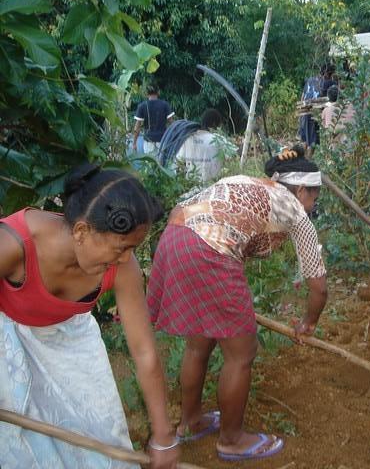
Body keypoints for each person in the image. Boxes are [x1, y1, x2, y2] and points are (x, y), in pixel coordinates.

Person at [147, 145, 328, 461]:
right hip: (211, 250)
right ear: (301, 190)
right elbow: (318, 285)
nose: (313, 205)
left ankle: (191, 422)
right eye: (314, 197)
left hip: (175, 235)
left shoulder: (254, 183)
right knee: (242, 354)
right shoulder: (296, 211)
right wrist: (308, 323)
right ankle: (231, 440)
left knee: (198, 343)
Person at [0, 164, 179, 469]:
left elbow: (144, 351)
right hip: (9, 347)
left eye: (132, 249)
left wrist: (164, 436)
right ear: (82, 231)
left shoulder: (123, 266)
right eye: (121, 248)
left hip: (73, 345)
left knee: (101, 443)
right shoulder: (12, 244)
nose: (126, 259)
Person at [174, 109, 238, 183]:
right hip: (212, 185)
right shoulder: (218, 139)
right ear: (215, 124)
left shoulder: (188, 139)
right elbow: (234, 154)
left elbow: (178, 161)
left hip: (190, 185)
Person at [298, 63, 337, 152]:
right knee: (313, 143)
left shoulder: (310, 79)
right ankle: (307, 163)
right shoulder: (329, 82)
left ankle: (302, 161)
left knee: (305, 141)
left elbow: (303, 96)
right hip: (313, 114)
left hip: (303, 111)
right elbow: (336, 93)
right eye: (332, 74)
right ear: (328, 74)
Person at [133, 85, 175, 154]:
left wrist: (134, 143)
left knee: (149, 163)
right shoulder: (165, 105)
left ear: (146, 94)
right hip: (162, 140)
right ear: (158, 92)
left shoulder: (142, 106)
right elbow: (172, 124)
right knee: (161, 163)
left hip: (148, 141)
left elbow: (137, 127)